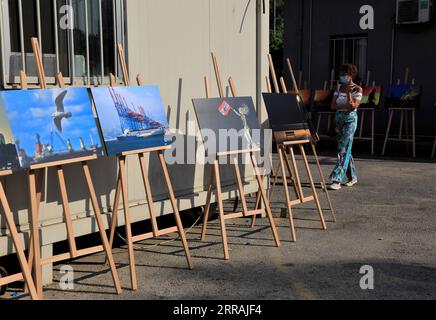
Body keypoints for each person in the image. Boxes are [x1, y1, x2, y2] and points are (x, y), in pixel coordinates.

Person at [328, 64, 363, 190]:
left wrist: (348, 94)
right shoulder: (338, 87)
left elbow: (353, 106)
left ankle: (337, 179)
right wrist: (344, 106)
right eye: (341, 74)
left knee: (343, 149)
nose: (341, 77)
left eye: (344, 74)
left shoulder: (358, 89)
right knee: (345, 148)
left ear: (351, 75)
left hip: (350, 120)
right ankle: (352, 177)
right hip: (338, 119)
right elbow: (332, 105)